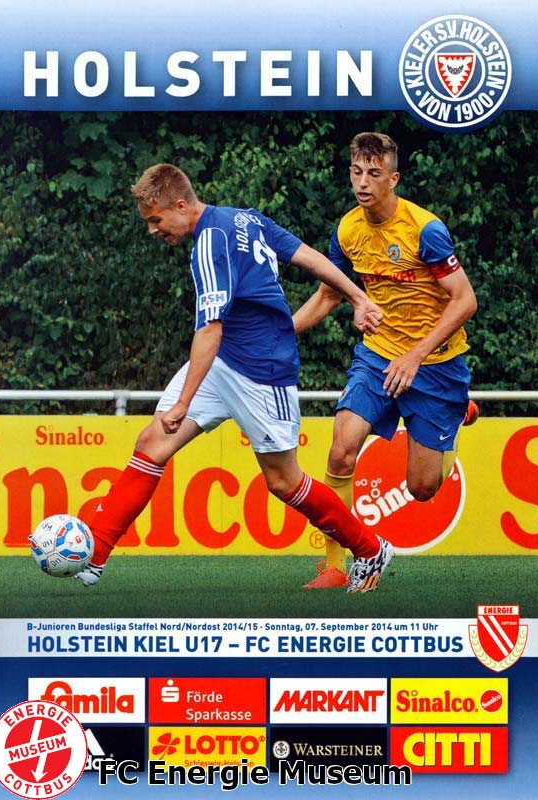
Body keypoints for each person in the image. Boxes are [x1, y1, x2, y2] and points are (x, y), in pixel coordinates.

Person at [75, 162, 395, 594]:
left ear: (181, 205)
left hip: (263, 372)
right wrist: (357, 297)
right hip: (223, 360)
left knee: (283, 481)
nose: (152, 230)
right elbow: (309, 257)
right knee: (152, 443)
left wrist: (183, 402)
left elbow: (211, 328)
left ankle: (370, 548)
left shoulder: (209, 243)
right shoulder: (245, 218)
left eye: (155, 220)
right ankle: (96, 552)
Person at [294, 132, 478, 590]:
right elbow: (329, 294)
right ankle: (337, 565)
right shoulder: (348, 231)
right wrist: (281, 332)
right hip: (377, 356)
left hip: (435, 364)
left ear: (393, 179)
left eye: (374, 174)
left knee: (422, 489)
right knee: (341, 447)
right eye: (357, 172)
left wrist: (416, 356)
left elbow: (465, 300)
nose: (363, 182)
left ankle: (457, 413)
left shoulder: (425, 230)